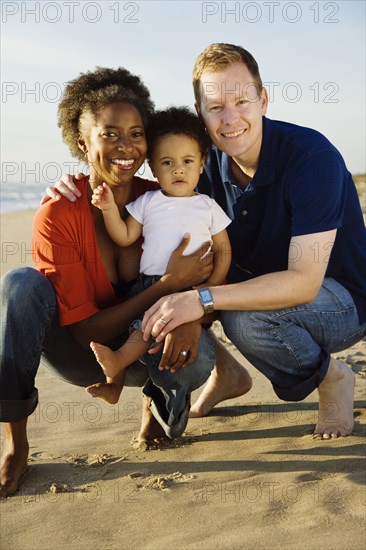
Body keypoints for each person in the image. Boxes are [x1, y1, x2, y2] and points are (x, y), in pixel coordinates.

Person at [0, 66, 251, 499]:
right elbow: (86, 331)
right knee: (20, 285)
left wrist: (196, 313)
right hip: (87, 354)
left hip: (152, 344)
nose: (125, 146)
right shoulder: (60, 212)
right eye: (109, 133)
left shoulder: (159, 199)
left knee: (198, 351)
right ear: (83, 142)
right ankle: (14, 443)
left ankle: (154, 402)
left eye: (136, 133)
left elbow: (209, 259)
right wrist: (167, 283)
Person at [141, 43, 366, 440]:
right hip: (255, 287)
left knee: (244, 318)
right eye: (215, 107)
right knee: (161, 264)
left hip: (341, 300)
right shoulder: (200, 161)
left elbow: (304, 281)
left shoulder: (311, 158)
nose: (230, 120)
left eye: (242, 101)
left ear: (262, 100)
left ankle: (332, 378)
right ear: (200, 113)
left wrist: (202, 300)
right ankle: (226, 372)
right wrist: (79, 188)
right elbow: (146, 201)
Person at [86, 107, 232, 405]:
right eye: (168, 162)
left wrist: (209, 289)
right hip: (152, 285)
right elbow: (124, 235)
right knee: (142, 328)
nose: (178, 169)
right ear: (153, 167)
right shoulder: (148, 201)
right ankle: (115, 378)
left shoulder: (207, 206)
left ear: (202, 164)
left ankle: (166, 396)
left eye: (187, 161)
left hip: (191, 290)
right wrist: (109, 209)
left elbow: (223, 249)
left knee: (158, 330)